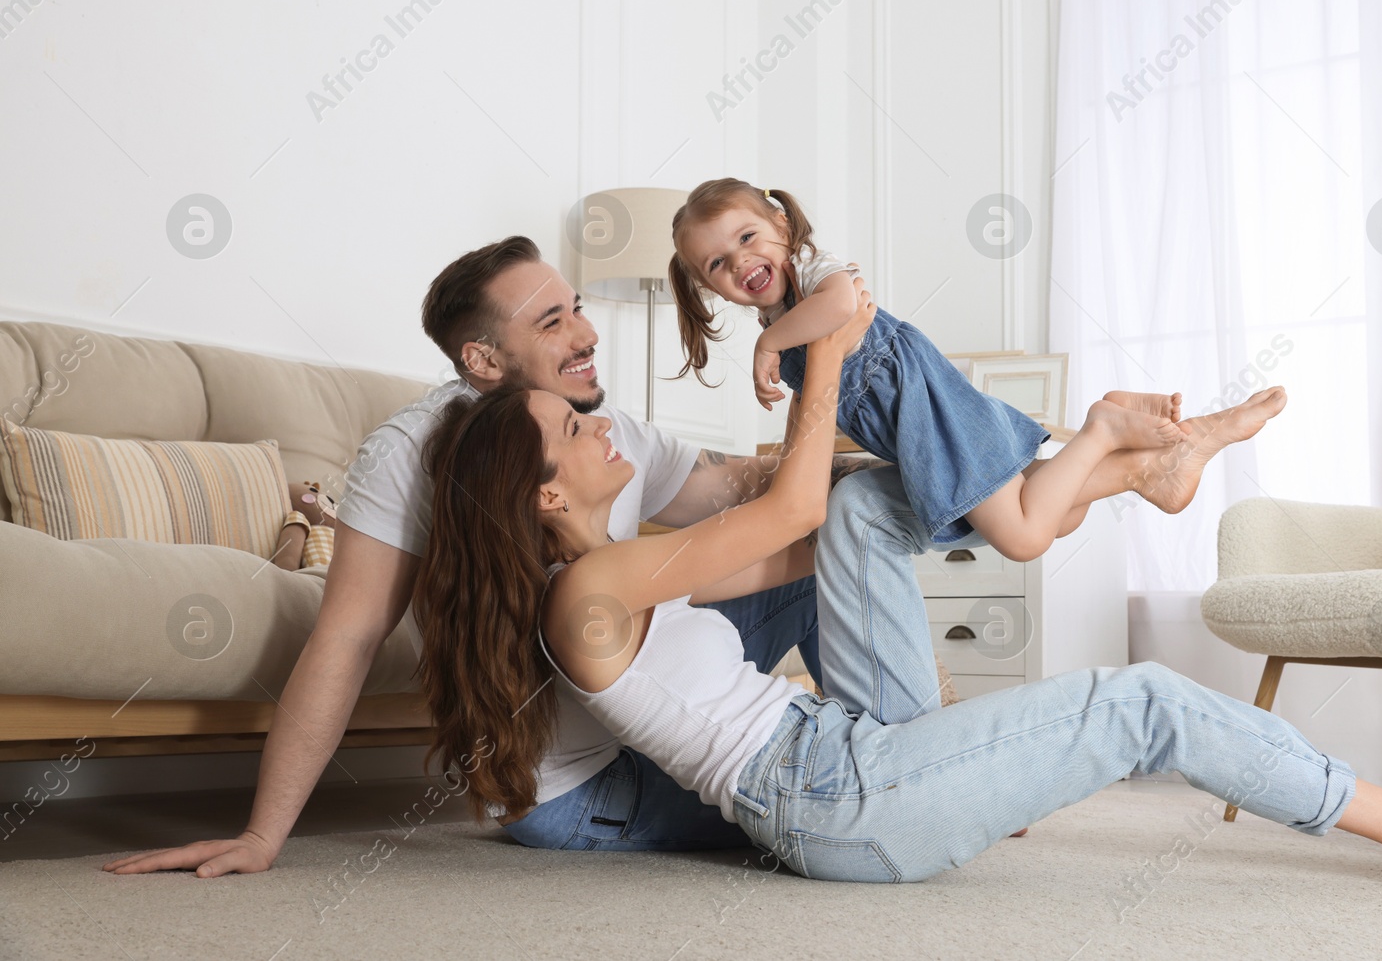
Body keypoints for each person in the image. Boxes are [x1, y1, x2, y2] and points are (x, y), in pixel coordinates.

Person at [417, 291, 1382, 888]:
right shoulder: (592, 594)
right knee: (1140, 700)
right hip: (836, 800)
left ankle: (1124, 466)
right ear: (537, 492)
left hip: (840, 745)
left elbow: (823, 531)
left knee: (879, 499)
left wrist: (1033, 471)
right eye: (574, 426)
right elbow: (787, 514)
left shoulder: (602, 576)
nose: (598, 421)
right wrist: (826, 348)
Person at [102, 234, 881, 876]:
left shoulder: (592, 423)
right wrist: (262, 835)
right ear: (480, 361)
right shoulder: (409, 455)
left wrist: (877, 469)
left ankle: (893, 749)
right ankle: (888, 777)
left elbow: (733, 491)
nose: (585, 333)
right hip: (586, 786)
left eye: (576, 308)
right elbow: (347, 635)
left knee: (841, 544)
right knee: (850, 805)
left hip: (638, 713)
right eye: (552, 323)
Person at [668, 177, 1199, 563]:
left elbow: (842, 306)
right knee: (1062, 516)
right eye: (716, 263)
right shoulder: (779, 314)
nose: (739, 261)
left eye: (746, 237)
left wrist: (769, 343)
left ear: (780, 222)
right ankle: (1139, 465)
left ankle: (1102, 429)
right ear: (707, 287)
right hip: (912, 433)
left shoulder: (809, 268)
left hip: (929, 413)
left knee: (1023, 538)